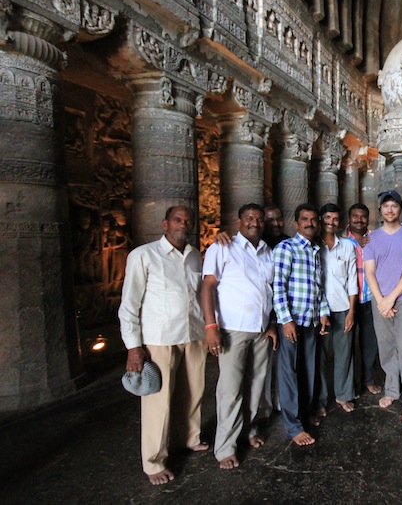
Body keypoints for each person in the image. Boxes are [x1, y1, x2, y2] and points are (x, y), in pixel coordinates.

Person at [118, 206, 208, 485]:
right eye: (177, 220)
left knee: (193, 391)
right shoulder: (144, 255)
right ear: (165, 224)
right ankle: (154, 461)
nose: (183, 224)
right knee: (158, 402)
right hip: (160, 338)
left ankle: (188, 438)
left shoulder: (195, 256)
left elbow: (198, 296)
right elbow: (129, 304)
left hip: (193, 334)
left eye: (188, 220)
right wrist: (134, 346)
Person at [202, 204, 278, 469]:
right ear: (238, 222)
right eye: (249, 218)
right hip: (232, 329)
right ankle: (225, 447)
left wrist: (270, 323)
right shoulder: (223, 247)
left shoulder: (267, 252)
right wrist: (211, 326)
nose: (254, 223)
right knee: (231, 389)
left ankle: (249, 430)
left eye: (259, 219)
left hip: (261, 329)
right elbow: (208, 286)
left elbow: (268, 290)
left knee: (256, 385)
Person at [273, 204, 331, 446]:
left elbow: (319, 287)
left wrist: (324, 313)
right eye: (305, 219)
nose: (310, 223)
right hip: (292, 322)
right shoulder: (286, 248)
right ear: (296, 223)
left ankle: (305, 414)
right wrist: (286, 320)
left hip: (311, 320)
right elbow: (278, 286)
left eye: (313, 219)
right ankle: (293, 426)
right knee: (289, 373)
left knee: (308, 370)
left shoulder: (315, 250)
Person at [363, 190, 402, 421]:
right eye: (386, 206)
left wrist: (391, 299)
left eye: (394, 206)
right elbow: (369, 272)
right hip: (380, 301)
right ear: (380, 210)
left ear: (400, 209)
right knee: (386, 347)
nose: (390, 210)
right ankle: (391, 391)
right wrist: (381, 300)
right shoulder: (372, 238)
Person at [317, 203, 358, 413]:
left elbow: (352, 281)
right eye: (327, 218)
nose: (331, 222)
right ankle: (320, 400)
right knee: (319, 357)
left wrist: (351, 311)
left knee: (344, 354)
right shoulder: (313, 245)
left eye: (335, 219)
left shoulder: (347, 246)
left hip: (342, 308)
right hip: (318, 311)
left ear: (340, 222)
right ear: (321, 219)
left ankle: (343, 395)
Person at [345, 203, 383, 395]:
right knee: (347, 344)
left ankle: (368, 379)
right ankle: (351, 384)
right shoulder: (341, 240)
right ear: (349, 218)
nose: (359, 220)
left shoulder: (375, 238)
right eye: (355, 216)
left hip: (370, 298)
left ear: (368, 218)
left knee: (370, 342)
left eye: (363, 216)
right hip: (348, 301)